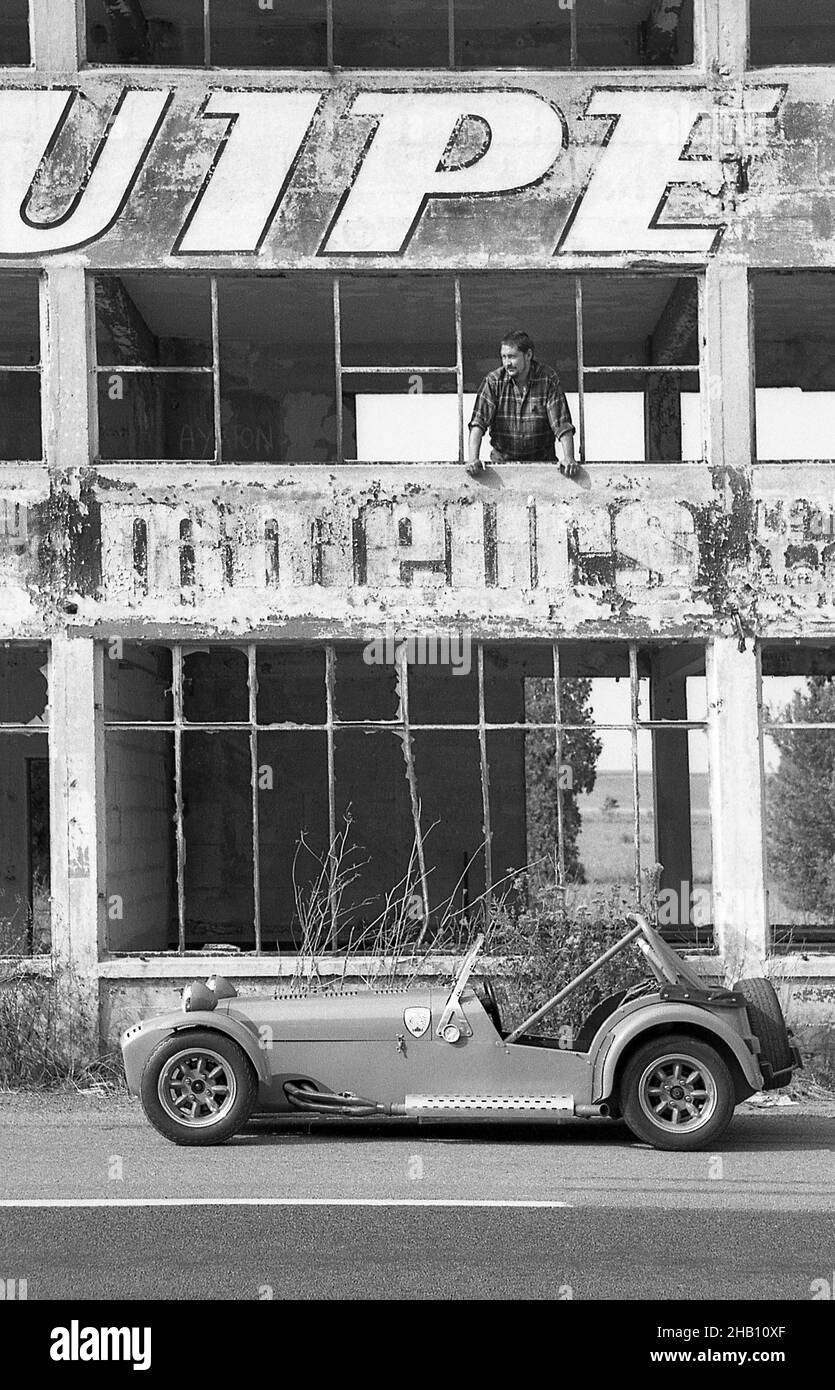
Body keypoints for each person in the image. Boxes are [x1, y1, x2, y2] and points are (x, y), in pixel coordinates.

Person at [466, 330, 578, 478]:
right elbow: (478, 424)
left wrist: (569, 458)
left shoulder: (547, 379)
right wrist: (473, 459)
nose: (507, 363)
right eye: (504, 357)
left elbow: (562, 425)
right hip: (502, 468)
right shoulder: (493, 382)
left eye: (512, 357)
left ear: (528, 355)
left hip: (543, 467)